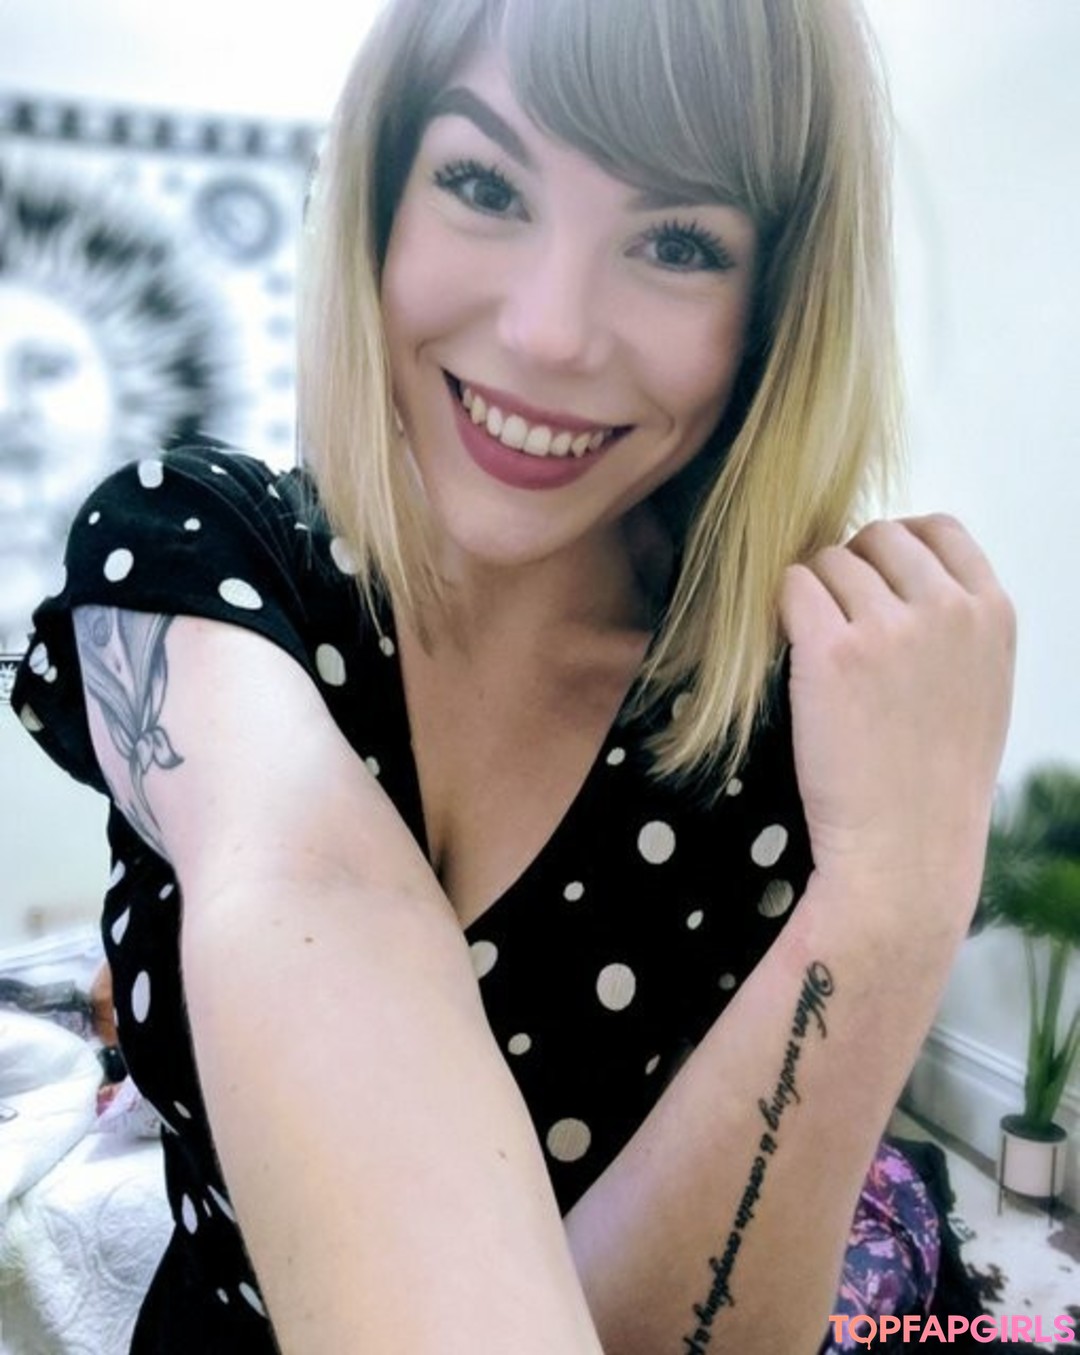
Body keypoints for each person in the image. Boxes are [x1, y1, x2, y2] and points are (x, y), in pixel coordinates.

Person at [12, 0, 1015, 1351]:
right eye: (485, 184)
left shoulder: (788, 732)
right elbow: (316, 885)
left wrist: (895, 903)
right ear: (380, 197)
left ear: (773, 308)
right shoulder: (192, 546)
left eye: (676, 243)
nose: (549, 333)